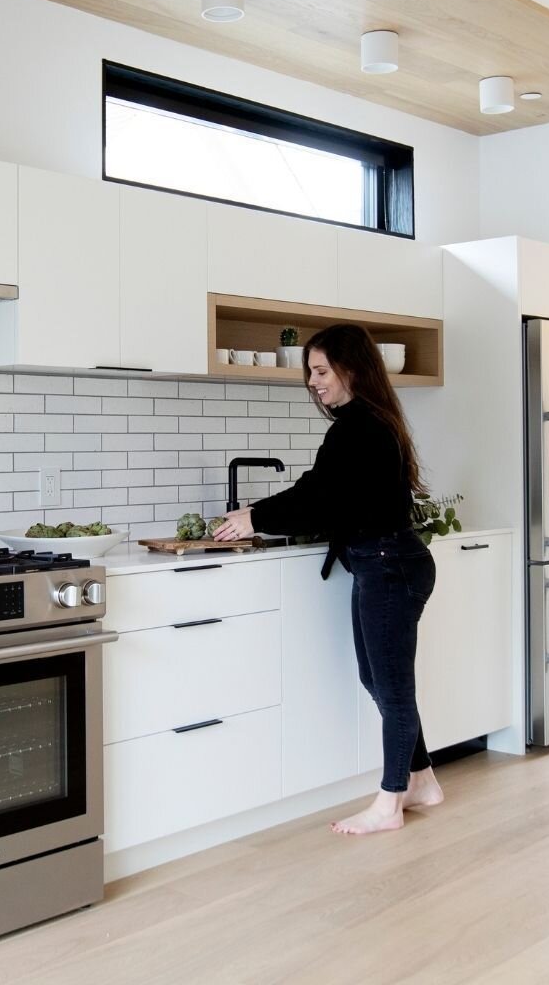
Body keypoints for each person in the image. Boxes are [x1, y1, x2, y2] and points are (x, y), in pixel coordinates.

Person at [212, 323, 442, 834]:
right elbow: (324, 492)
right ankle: (422, 777)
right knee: (378, 679)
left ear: (351, 369)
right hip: (386, 561)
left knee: (392, 687)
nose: (313, 382)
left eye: (320, 371)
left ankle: (390, 802)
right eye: (310, 373)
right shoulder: (368, 422)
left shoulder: (358, 427)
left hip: (388, 564)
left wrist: (256, 517)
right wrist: (260, 513)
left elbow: (319, 497)